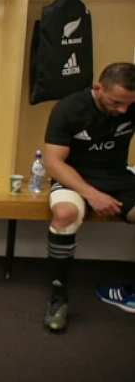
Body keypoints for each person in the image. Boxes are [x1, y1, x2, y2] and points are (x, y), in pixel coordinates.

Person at [42, 62, 135, 332]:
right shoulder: (69, 108)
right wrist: (93, 195)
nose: (123, 111)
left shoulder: (130, 103)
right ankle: (58, 298)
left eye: (129, 105)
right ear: (98, 88)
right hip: (74, 177)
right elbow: (53, 162)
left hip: (118, 176)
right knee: (64, 215)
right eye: (117, 103)